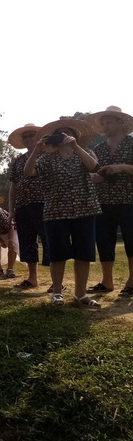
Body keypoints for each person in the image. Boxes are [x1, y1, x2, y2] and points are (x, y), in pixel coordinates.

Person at [23, 118, 102, 308]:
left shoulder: (86, 153)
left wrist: (76, 147)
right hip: (55, 211)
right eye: (62, 133)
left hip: (85, 208)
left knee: (84, 253)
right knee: (58, 254)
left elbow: (93, 167)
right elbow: (28, 172)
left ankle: (81, 294)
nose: (66, 136)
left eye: (70, 132)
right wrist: (36, 149)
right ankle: (57, 292)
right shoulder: (46, 159)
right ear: (55, 138)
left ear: (76, 136)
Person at [84, 106, 133, 298]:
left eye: (108, 122)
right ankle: (107, 281)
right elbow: (94, 171)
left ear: (120, 123)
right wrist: (96, 177)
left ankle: (132, 281)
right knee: (104, 241)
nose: (105, 126)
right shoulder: (99, 149)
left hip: (129, 199)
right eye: (102, 123)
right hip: (103, 200)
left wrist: (121, 167)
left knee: (131, 240)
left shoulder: (131, 144)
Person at [8, 123, 50, 289]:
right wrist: (11, 210)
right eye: (25, 137)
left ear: (38, 137)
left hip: (44, 203)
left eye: (31, 135)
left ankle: (56, 280)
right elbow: (13, 186)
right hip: (23, 206)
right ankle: (32, 278)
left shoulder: (48, 155)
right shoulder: (18, 161)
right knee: (27, 242)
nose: (28, 139)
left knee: (49, 240)